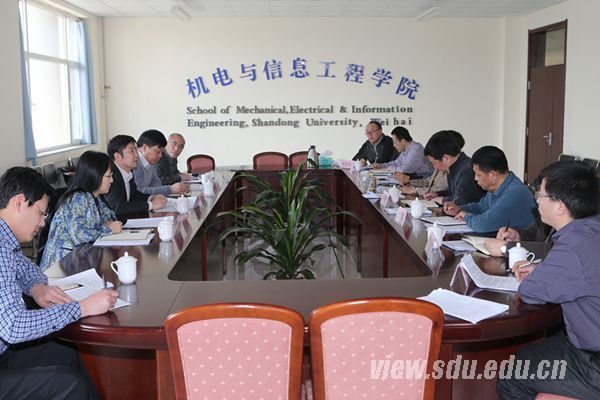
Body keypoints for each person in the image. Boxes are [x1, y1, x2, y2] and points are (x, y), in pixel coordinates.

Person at [0, 167, 118, 399]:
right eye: (41, 213)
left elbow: (27, 270)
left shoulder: (6, 240)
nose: (42, 223)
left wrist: (37, 288)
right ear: (19, 203)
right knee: (69, 384)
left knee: (66, 350)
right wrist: (81, 308)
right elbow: (13, 327)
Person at [497, 161, 600, 399]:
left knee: (513, 374)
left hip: (594, 363)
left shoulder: (573, 245)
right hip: (586, 345)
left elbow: (531, 292)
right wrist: (545, 268)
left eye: (540, 195)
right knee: (526, 357)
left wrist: (536, 274)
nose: (536, 201)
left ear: (560, 206)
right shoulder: (590, 229)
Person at [39, 151, 123, 271]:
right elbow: (79, 235)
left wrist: (107, 225)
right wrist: (108, 229)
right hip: (60, 267)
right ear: (94, 176)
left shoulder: (95, 197)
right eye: (108, 176)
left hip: (80, 259)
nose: (112, 181)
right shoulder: (77, 198)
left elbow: (111, 217)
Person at [443, 146, 537, 233]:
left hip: (523, 244)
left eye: (478, 175)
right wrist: (460, 208)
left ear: (492, 175)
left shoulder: (514, 193)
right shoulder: (498, 188)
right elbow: (481, 207)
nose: (475, 178)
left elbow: (483, 224)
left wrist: (466, 216)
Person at [103, 135, 167, 217]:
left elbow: (134, 194)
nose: (137, 155)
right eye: (132, 151)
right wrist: (151, 205)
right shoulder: (111, 176)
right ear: (117, 156)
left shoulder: (128, 171)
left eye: (136, 150)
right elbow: (118, 207)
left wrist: (151, 197)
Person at [423, 130, 485, 205]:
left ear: (445, 158)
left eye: (434, 163)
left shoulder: (467, 171)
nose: (434, 167)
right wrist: (438, 194)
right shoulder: (455, 167)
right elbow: (453, 193)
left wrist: (443, 200)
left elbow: (461, 201)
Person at [133, 130, 189, 196]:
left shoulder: (149, 163)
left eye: (161, 152)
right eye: (157, 152)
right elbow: (138, 192)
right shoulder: (134, 163)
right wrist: (171, 189)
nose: (160, 155)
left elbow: (156, 184)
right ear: (145, 148)